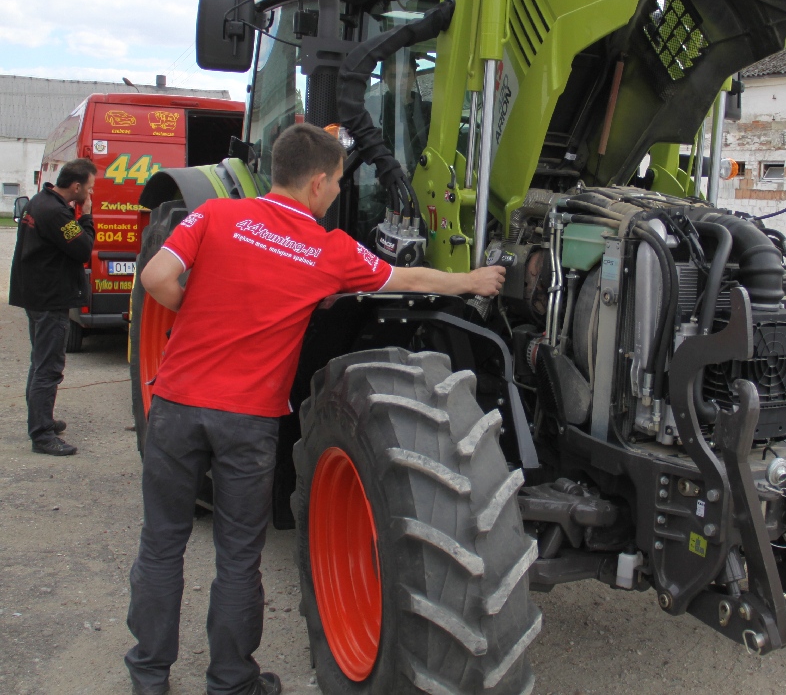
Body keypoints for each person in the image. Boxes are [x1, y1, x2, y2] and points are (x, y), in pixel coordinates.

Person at [125, 123, 505, 695]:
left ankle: (149, 677)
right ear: (319, 183)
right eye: (335, 186)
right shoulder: (327, 250)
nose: (334, 196)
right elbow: (405, 276)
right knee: (236, 558)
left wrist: (195, 308)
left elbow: (155, 275)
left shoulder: (218, 216)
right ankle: (230, 680)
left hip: (176, 407)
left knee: (160, 544)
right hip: (247, 422)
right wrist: (471, 279)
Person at [8, 158, 97, 457]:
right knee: (48, 368)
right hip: (50, 300)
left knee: (40, 362)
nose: (90, 192)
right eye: (90, 187)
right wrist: (88, 216)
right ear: (76, 186)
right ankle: (42, 435)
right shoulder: (57, 214)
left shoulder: (40, 201)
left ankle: (41, 420)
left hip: (36, 295)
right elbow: (83, 248)